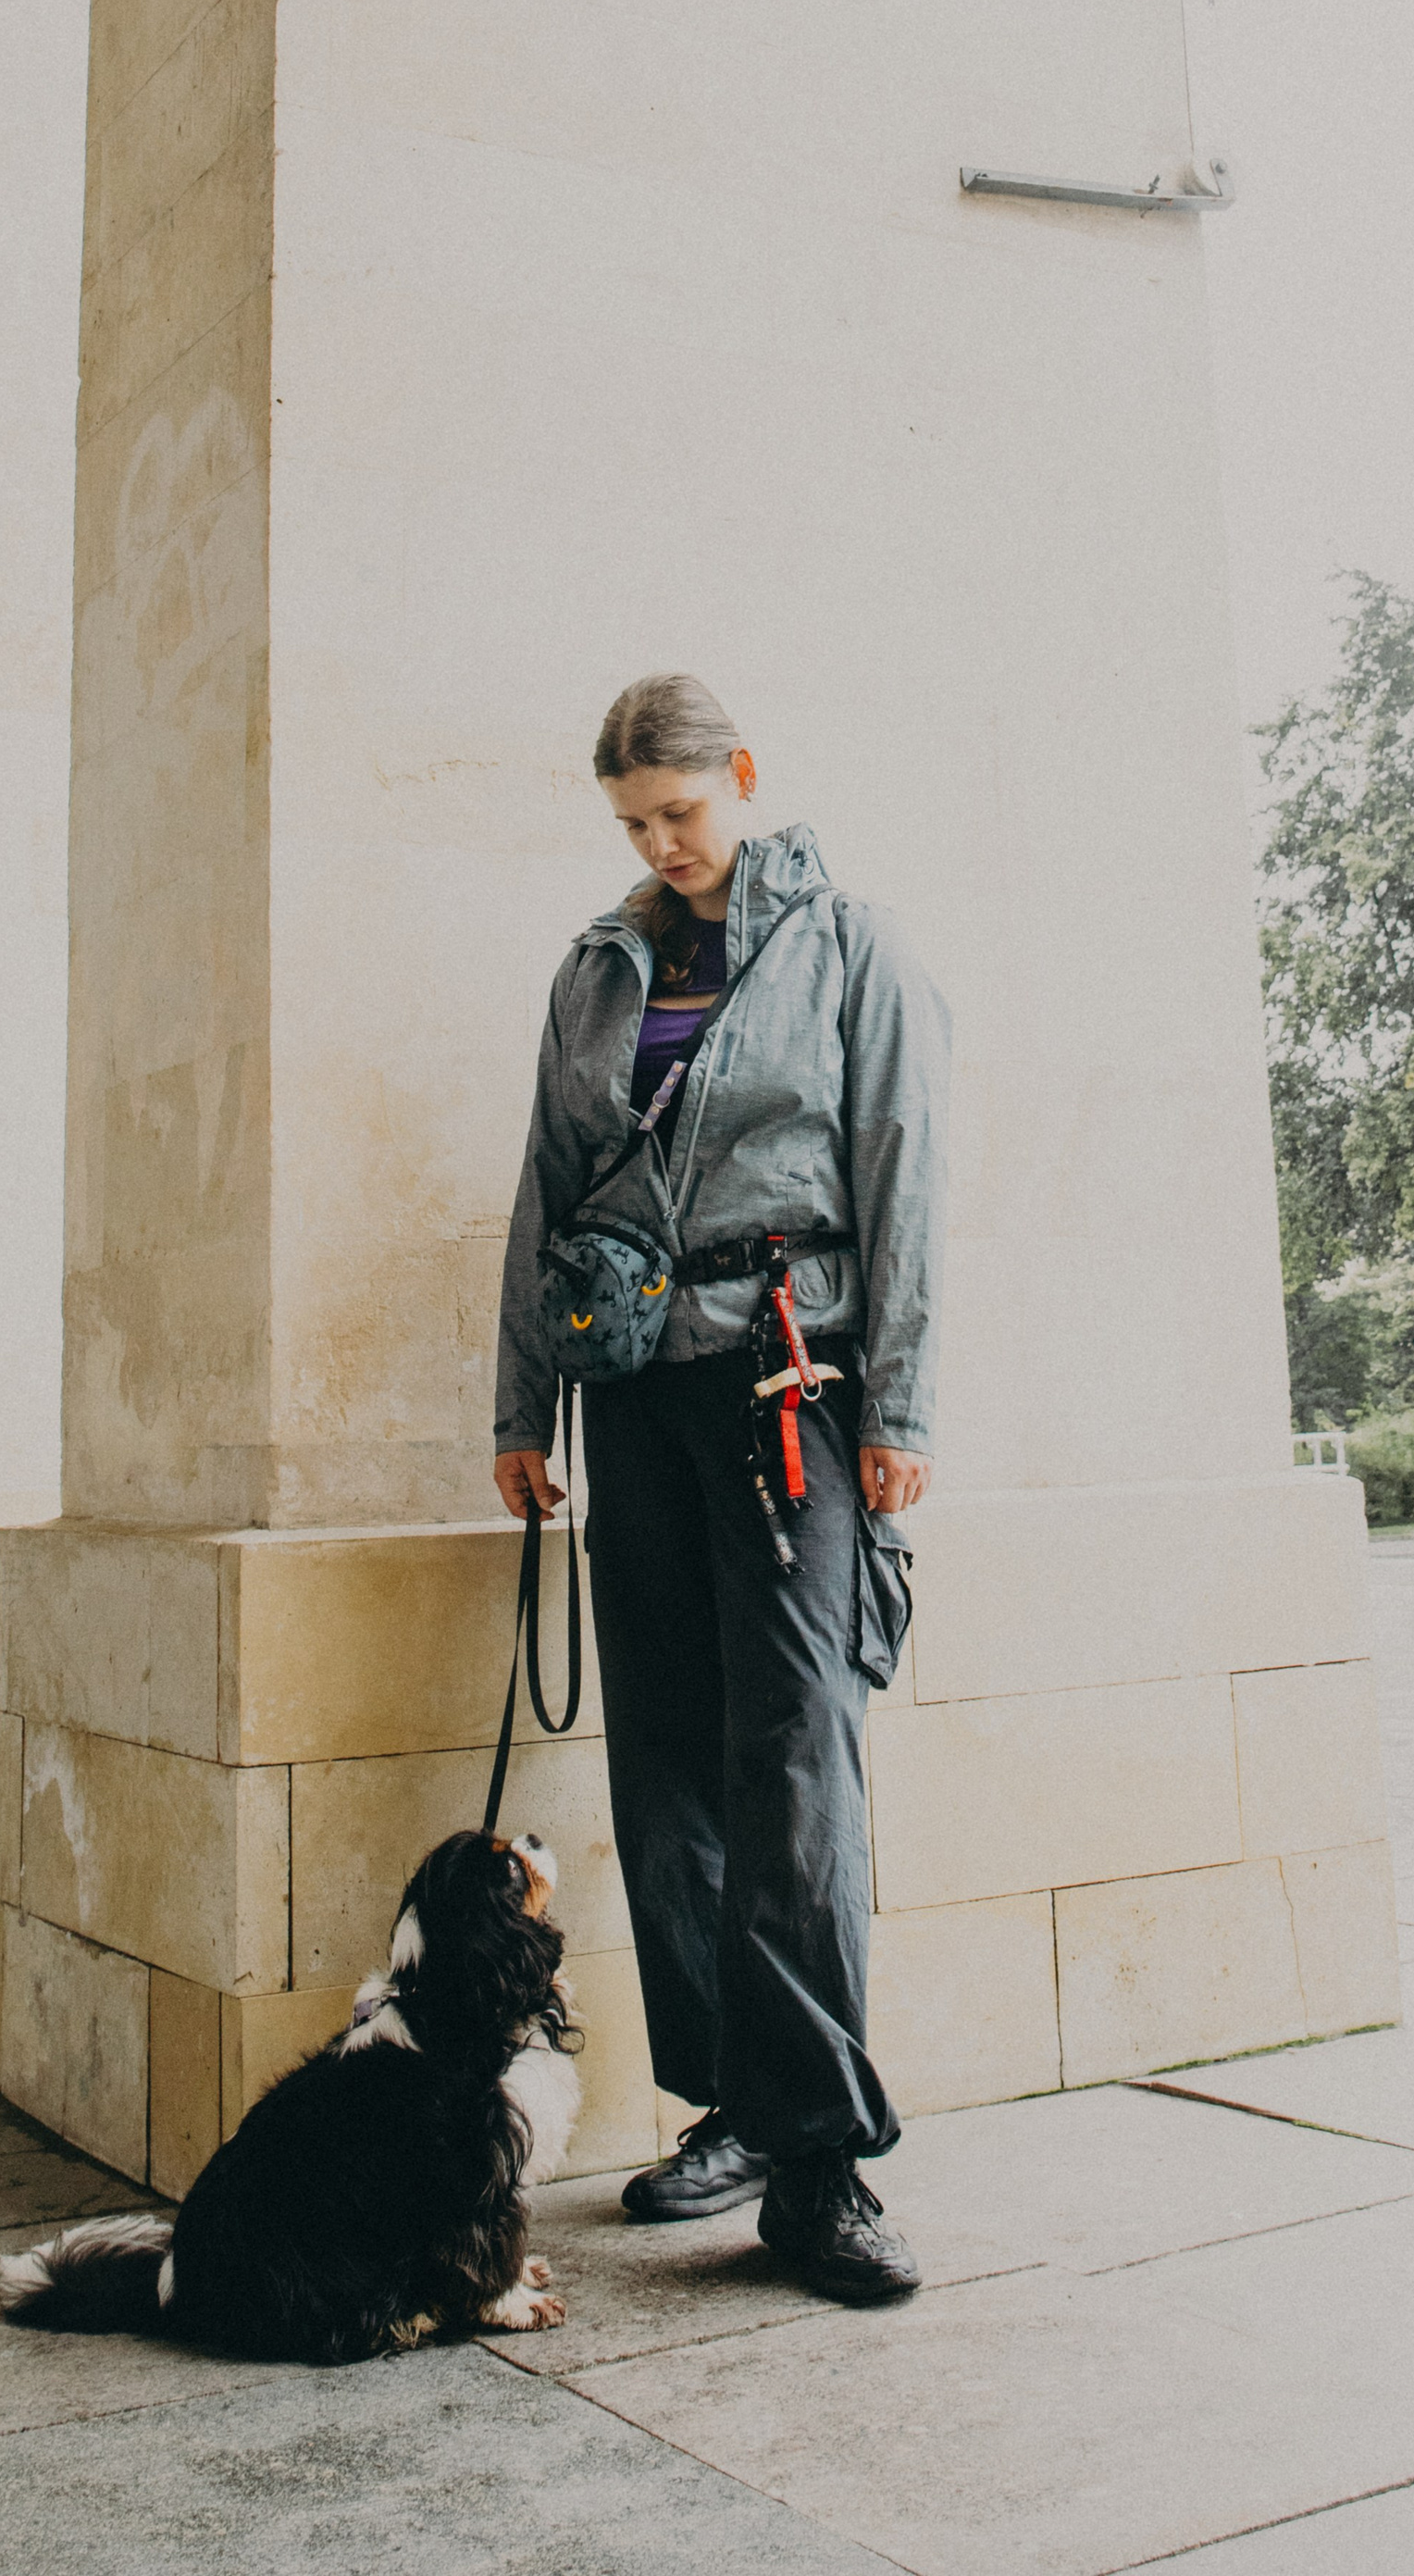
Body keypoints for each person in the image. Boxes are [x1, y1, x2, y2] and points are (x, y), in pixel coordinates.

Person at [494, 673, 949, 2306]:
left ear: (742, 779)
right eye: (634, 823)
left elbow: (904, 1174)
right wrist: (524, 1403)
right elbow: (547, 1193)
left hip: (790, 1385)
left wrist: (896, 1403)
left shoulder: (851, 946)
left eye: (682, 811)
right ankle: (730, 2109)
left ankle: (820, 2162)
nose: (663, 844)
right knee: (668, 1751)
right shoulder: (597, 970)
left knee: (796, 1758)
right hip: (634, 1394)